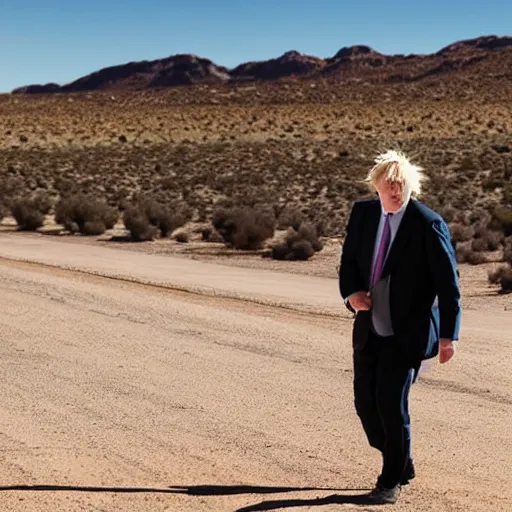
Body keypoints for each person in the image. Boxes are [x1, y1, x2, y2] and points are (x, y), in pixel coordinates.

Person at [338, 150, 461, 504]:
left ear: (412, 186)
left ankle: (389, 481)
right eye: (389, 185)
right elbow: (348, 263)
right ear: (376, 186)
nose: (395, 191)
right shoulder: (362, 215)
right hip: (369, 328)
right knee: (366, 406)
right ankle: (401, 459)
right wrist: (351, 295)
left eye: (402, 185)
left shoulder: (427, 224)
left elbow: (448, 284)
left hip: (408, 332)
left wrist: (448, 335)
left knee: (391, 404)